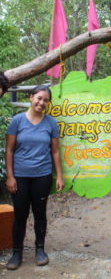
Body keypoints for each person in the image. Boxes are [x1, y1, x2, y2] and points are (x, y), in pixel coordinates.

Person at [5, 85, 64, 270]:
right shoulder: (17, 121)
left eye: (45, 100)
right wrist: (10, 176)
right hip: (20, 176)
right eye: (39, 98)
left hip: (42, 176)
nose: (41, 102)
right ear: (31, 97)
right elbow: (9, 149)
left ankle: (40, 250)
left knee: (40, 215)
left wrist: (59, 176)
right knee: (20, 216)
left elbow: (55, 151)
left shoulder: (51, 123)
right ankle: (17, 253)